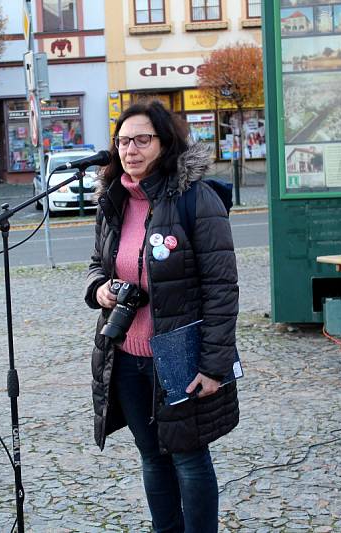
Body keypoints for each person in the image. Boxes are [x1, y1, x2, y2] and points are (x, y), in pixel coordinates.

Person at [85, 100, 240, 532]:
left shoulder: (195, 199)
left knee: (188, 457)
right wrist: (100, 289)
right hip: (127, 357)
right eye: (122, 141)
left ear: (164, 143)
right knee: (152, 457)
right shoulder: (114, 200)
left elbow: (222, 289)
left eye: (141, 140)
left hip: (180, 356)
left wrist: (214, 366)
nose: (130, 150)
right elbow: (99, 261)